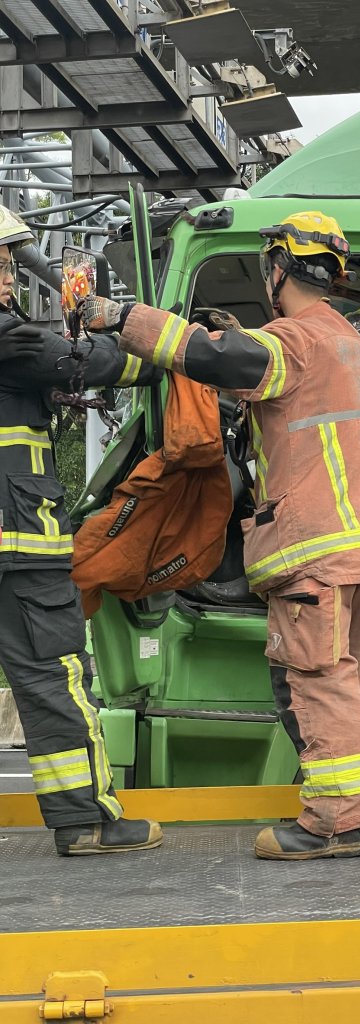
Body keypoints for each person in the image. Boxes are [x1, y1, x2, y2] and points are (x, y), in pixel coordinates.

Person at [82, 211, 360, 861]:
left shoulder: (294, 339)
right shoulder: (346, 341)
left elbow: (214, 357)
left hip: (315, 552)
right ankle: (353, 811)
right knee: (350, 683)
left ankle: (334, 824)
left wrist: (122, 317)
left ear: (278, 268)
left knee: (315, 680)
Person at [0, 204, 163, 856]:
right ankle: (88, 822)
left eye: (10, 262)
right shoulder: (12, 341)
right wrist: (146, 352)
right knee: (54, 678)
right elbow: (81, 363)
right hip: (21, 544)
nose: (7, 274)